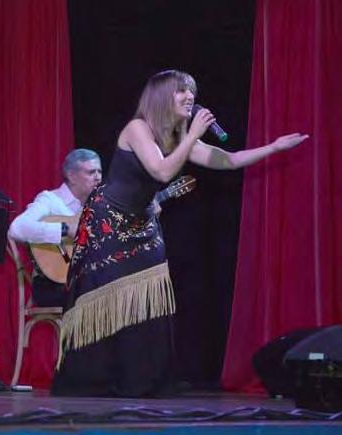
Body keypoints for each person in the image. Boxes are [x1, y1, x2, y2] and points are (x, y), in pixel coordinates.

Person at [51, 69, 308, 397]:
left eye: (192, 91)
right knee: (106, 300)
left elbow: (229, 160)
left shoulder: (178, 139)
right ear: (162, 97)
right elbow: (161, 171)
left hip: (144, 226)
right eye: (182, 91)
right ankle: (95, 379)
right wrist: (193, 135)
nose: (190, 97)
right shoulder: (137, 128)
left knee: (148, 301)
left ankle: (141, 380)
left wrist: (273, 147)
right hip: (108, 225)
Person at [8, 149, 103, 307]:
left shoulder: (98, 207)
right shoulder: (50, 200)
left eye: (100, 172)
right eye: (91, 172)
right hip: (52, 285)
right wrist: (65, 229)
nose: (98, 177)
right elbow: (17, 228)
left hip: (87, 279)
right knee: (102, 294)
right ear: (72, 176)